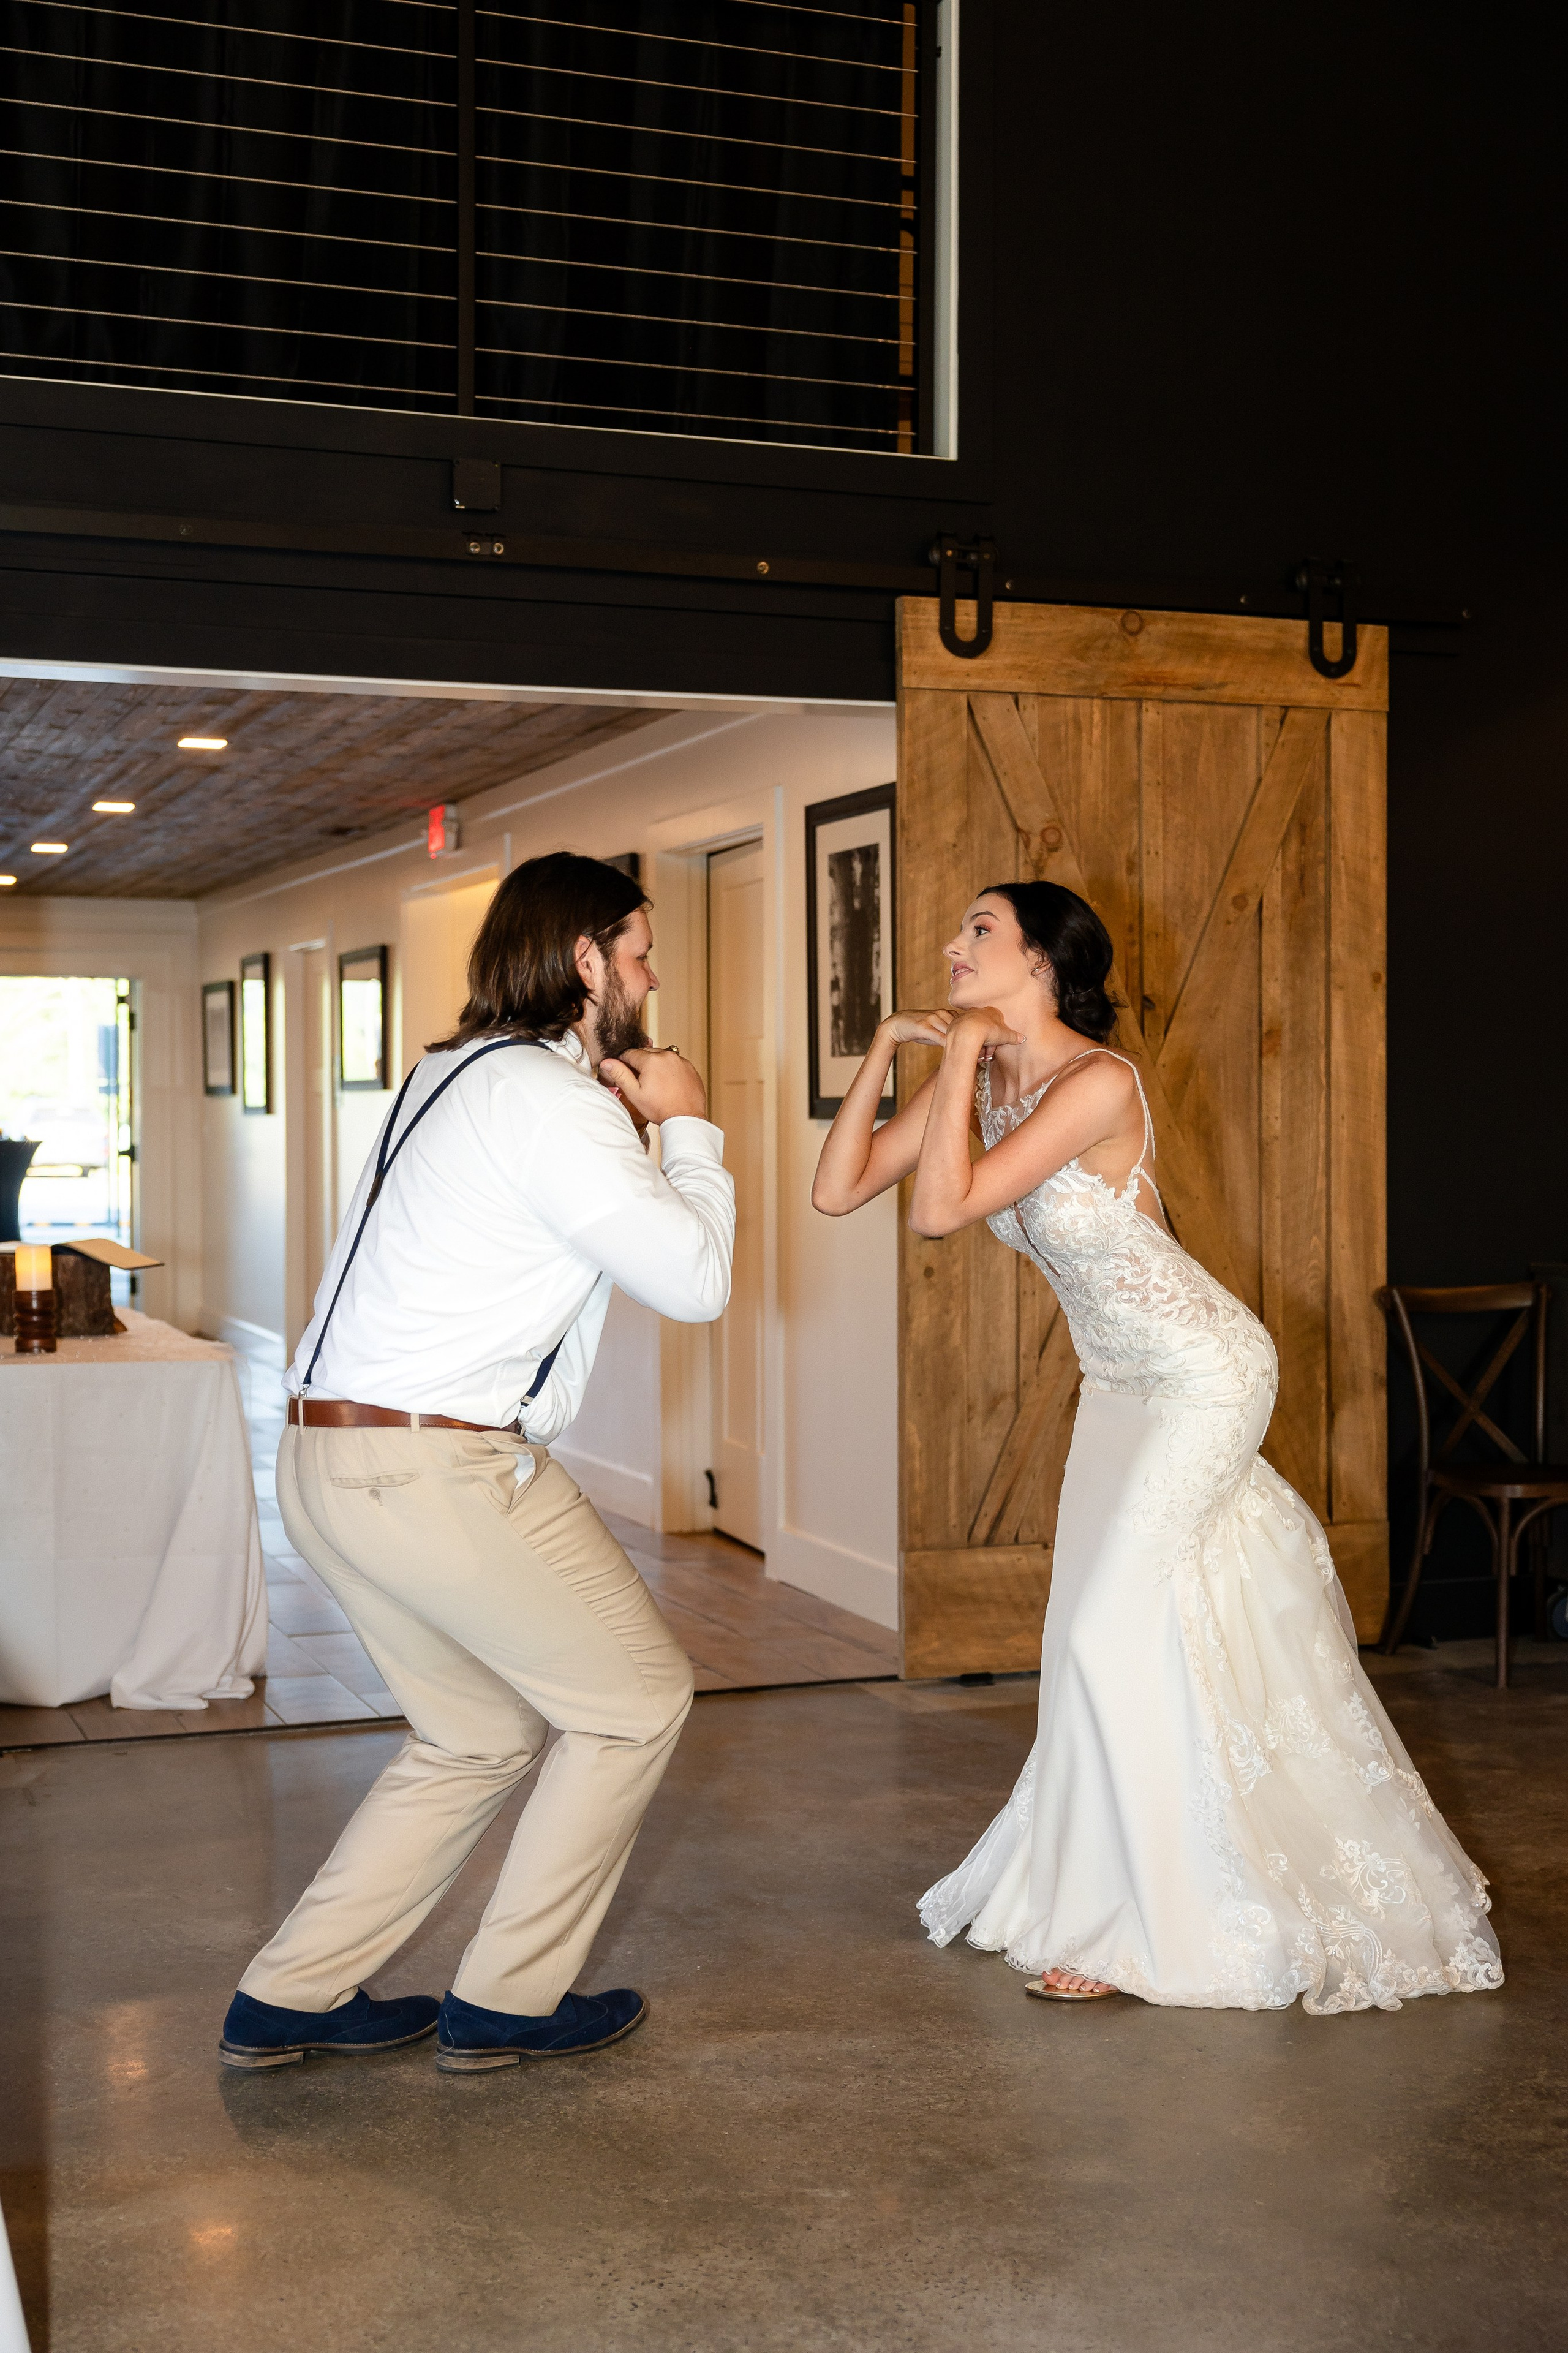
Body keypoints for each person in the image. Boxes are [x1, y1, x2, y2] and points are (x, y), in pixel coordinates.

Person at [813, 878, 1502, 2014]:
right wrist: (892, 1044)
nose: (951, 944)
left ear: (1042, 961)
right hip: (1119, 1386)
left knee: (1104, 1631)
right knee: (1098, 1635)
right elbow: (838, 1188)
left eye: (979, 929)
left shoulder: (1099, 1081)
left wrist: (961, 1051)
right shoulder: (981, 1076)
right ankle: (1116, 1880)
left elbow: (940, 1208)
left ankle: (1138, 1922)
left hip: (1204, 1373)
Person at [220, 853, 734, 2072]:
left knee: (478, 1733)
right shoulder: (550, 1101)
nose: (655, 976)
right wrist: (691, 1125)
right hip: (433, 1470)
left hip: (325, 1458)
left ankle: (289, 1996)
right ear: (585, 959)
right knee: (636, 1703)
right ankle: (505, 2001)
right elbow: (695, 1281)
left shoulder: (450, 1071)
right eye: (641, 952)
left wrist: (632, 1123)